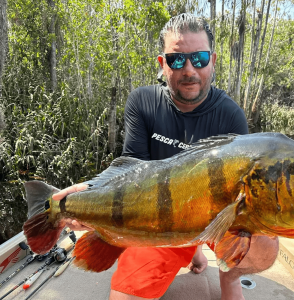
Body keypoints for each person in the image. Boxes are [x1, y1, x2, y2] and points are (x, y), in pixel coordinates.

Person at [53, 13, 279, 300]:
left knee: (264, 248)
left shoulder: (230, 114)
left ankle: (229, 279)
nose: (188, 69)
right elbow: (131, 169)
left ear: (213, 61)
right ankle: (189, 249)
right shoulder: (143, 102)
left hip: (216, 218)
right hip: (158, 222)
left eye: (199, 59)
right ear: (162, 64)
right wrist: (92, 193)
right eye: (176, 59)